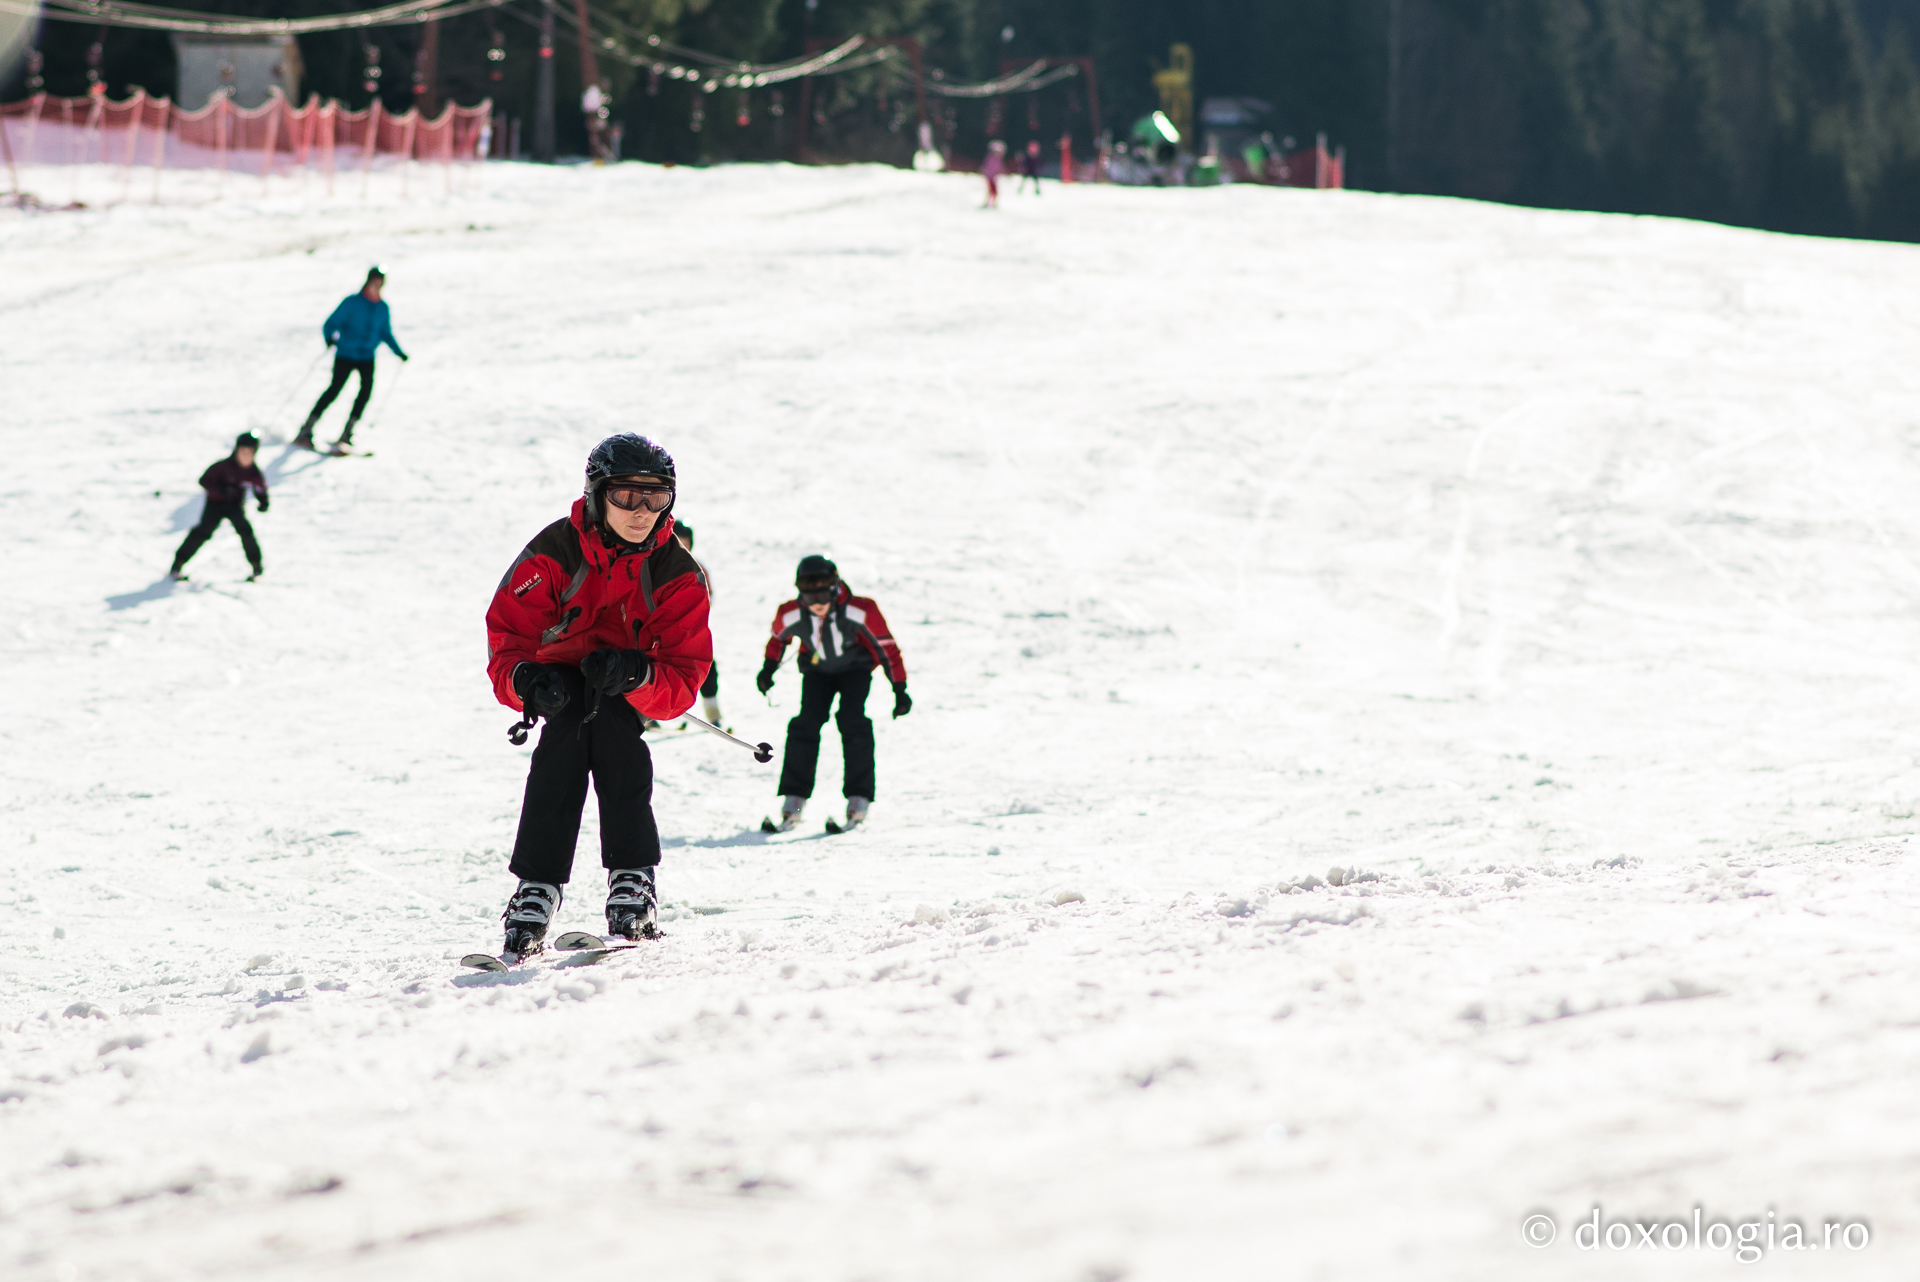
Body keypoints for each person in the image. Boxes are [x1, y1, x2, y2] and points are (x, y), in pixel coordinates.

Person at [483, 434, 712, 957]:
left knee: (611, 729)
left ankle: (632, 879)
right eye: (627, 496)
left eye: (656, 498)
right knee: (568, 730)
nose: (642, 511)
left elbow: (683, 676)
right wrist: (526, 680)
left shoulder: (677, 574)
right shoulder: (554, 551)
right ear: (597, 494)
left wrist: (637, 674)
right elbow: (508, 635)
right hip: (559, 674)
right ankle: (538, 886)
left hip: (622, 682)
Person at [756, 555, 909, 832]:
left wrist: (899, 688)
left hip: (856, 670)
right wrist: (768, 669)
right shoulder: (791, 612)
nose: (817, 602)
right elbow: (778, 640)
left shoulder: (860, 610)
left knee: (852, 720)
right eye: (809, 594)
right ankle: (794, 802)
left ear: (836, 586)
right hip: (817, 672)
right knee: (805, 723)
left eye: (823, 592)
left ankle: (858, 799)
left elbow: (886, 648)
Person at [295, 266, 408, 455]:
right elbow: (331, 323)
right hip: (346, 354)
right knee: (334, 390)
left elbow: (385, 333)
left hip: (367, 357)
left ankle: (347, 433)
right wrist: (329, 338)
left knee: (365, 393)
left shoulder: (382, 307)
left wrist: (399, 352)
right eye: (373, 282)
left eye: (379, 284)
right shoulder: (353, 302)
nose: (375, 287)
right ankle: (306, 429)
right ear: (367, 282)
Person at [170, 433, 268, 582]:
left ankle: (256, 565)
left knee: (245, 531)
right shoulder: (222, 466)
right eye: (243, 452)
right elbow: (204, 480)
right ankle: (179, 563)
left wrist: (263, 501)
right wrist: (219, 490)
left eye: (250, 454)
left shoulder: (253, 471)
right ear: (236, 451)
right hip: (215, 505)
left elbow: (259, 487)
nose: (246, 457)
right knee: (203, 531)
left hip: (235, 506)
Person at [671, 520, 726, 728]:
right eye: (676, 540)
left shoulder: (697, 567)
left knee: (707, 667)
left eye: (685, 541)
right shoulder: (655, 562)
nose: (681, 545)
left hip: (691, 630)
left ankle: (713, 715)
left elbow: (707, 597)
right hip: (662, 630)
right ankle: (648, 716)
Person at [982, 139, 1007, 208]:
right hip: (990, 177)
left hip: (993, 177)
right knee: (993, 191)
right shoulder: (991, 159)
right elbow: (986, 167)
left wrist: (1005, 172)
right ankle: (988, 203)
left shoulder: (998, 160)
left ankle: (992, 203)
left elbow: (1000, 168)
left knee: (994, 192)